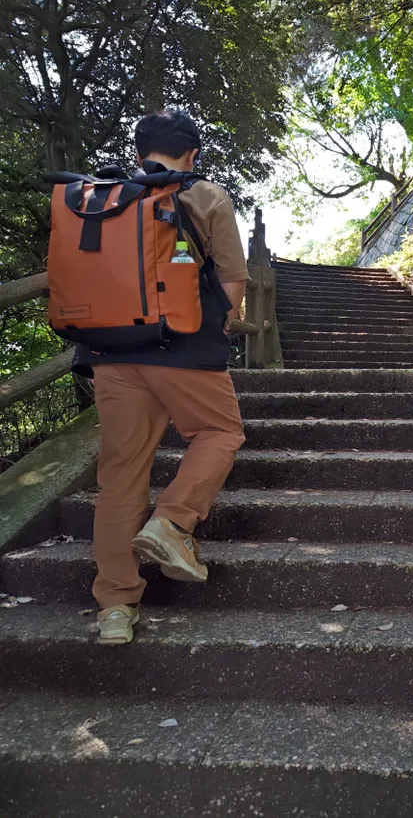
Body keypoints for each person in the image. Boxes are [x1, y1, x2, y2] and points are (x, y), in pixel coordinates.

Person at [75, 110, 247, 645]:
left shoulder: (105, 197)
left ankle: (115, 608)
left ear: (139, 151)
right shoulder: (205, 196)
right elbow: (234, 283)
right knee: (220, 433)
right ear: (193, 154)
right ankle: (172, 523)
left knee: (121, 477)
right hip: (184, 348)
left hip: (111, 351)